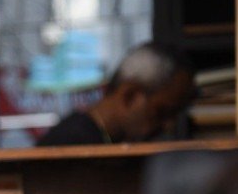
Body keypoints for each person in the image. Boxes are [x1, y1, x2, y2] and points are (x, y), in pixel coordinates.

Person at [37, 42, 195, 146]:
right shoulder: (68, 143)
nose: (169, 125)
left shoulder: (108, 139)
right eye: (162, 112)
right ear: (130, 95)